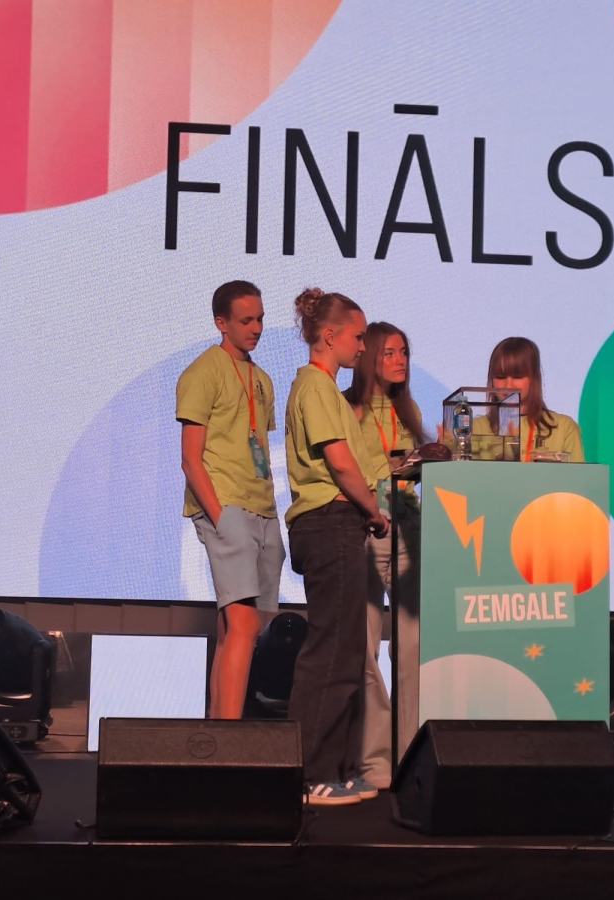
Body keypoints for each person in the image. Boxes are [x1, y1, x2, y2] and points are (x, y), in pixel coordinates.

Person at [284, 287, 387, 806]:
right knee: (330, 650)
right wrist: (374, 510)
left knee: (346, 650)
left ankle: (338, 769)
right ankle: (309, 774)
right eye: (358, 336)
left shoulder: (325, 389)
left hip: (337, 523)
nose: (363, 346)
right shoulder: (315, 386)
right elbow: (341, 463)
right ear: (329, 336)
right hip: (330, 522)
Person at [176, 280, 285, 719]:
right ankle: (230, 736)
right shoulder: (203, 372)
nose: (256, 328)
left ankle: (216, 730)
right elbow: (190, 458)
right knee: (243, 623)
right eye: (245, 320)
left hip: (262, 507)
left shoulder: (262, 378)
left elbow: (257, 447)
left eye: (260, 319)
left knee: (236, 626)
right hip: (226, 504)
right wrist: (219, 517)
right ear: (221, 323)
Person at [342, 322, 426, 786]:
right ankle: (374, 761)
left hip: (410, 529)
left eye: (404, 351)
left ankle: (412, 757)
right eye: (390, 352)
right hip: (367, 529)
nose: (400, 360)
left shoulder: (408, 409)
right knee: (365, 647)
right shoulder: (348, 408)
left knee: (413, 648)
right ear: (369, 356)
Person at [472, 336, 585, 462]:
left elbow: (577, 475)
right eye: (500, 377)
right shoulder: (474, 428)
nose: (508, 385)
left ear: (534, 378)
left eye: (517, 377)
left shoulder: (563, 428)